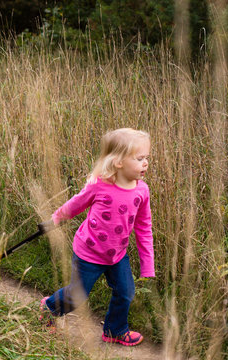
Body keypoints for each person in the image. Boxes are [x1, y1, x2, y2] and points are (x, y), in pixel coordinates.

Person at [39, 128, 154, 346]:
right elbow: (76, 204)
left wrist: (147, 264)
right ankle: (49, 308)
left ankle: (115, 330)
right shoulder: (100, 185)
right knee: (76, 296)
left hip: (117, 255)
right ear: (118, 162)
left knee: (126, 292)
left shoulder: (142, 191)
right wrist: (55, 219)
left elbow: (144, 227)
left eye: (146, 158)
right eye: (139, 158)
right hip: (88, 253)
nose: (146, 163)